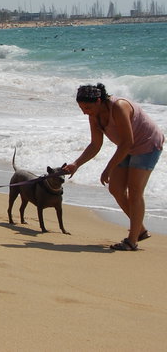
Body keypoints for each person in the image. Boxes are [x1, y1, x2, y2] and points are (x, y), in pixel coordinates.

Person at [65, 83, 164, 251]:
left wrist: (108, 168)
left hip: (147, 144)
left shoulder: (118, 107)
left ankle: (132, 241)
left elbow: (128, 142)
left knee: (134, 191)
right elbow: (95, 145)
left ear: (98, 101)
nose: (84, 112)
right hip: (126, 147)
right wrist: (76, 164)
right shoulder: (93, 115)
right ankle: (139, 229)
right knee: (116, 189)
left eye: (87, 107)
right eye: (81, 108)